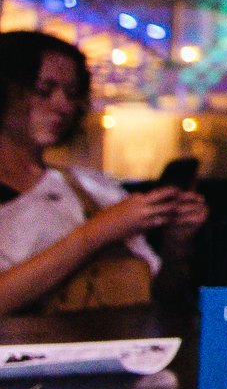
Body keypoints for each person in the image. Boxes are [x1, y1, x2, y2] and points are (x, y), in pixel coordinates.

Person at [0, 31, 205, 314]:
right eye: (44, 90)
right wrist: (98, 233)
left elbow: (157, 300)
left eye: (72, 94)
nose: (62, 105)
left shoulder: (92, 189)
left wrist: (177, 247)